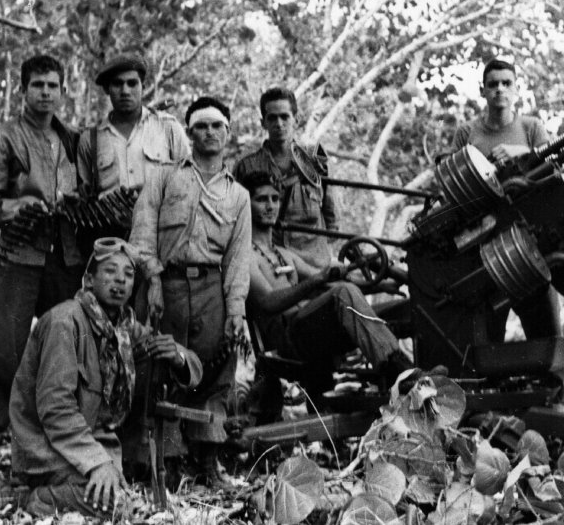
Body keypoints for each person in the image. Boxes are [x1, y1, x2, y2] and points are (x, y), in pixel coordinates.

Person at [4, 237, 201, 517]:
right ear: (89, 279)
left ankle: (27, 494)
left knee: (122, 500)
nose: (120, 280)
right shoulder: (65, 322)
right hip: (45, 448)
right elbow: (56, 410)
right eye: (109, 270)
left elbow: (193, 367)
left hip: (84, 447)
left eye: (128, 274)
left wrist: (177, 356)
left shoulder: (121, 327)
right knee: (117, 505)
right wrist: (97, 463)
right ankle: (34, 499)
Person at [0, 54, 84, 486]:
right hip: (19, 259)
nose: (46, 92)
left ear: (63, 90)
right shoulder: (3, 137)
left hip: (65, 262)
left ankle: (54, 451)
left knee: (62, 355)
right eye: (37, 85)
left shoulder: (73, 141)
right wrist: (23, 207)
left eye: (53, 85)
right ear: (23, 89)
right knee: (4, 354)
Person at [129, 96, 250, 483]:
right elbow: (143, 232)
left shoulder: (239, 195)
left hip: (213, 288)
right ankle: (167, 461)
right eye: (201, 126)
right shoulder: (165, 177)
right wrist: (153, 280)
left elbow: (237, 258)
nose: (210, 133)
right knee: (163, 367)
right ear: (189, 132)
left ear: (228, 134)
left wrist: (235, 311)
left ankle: (206, 459)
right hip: (170, 284)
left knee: (216, 372)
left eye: (217, 126)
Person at [242, 170, 412, 409]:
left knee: (404, 308)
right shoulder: (246, 256)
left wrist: (383, 284)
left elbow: (330, 280)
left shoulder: (285, 254)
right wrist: (318, 279)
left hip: (313, 332)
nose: (270, 206)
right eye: (261, 200)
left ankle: (424, 375)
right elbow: (269, 302)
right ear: (245, 204)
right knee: (343, 293)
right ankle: (402, 375)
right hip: (289, 339)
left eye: (274, 199)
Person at [450, 59, 564, 398]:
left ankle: (562, 405)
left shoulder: (531, 128)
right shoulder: (467, 133)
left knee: (548, 340)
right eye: (493, 83)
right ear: (483, 91)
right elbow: (453, 192)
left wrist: (523, 153)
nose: (499, 89)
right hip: (485, 253)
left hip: (529, 249)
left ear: (516, 89)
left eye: (506, 83)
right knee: (485, 345)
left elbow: (553, 175)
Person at [233, 87, 336, 268]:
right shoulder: (247, 166)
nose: (279, 124)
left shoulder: (314, 160)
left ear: (295, 119)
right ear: (263, 122)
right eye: (272, 118)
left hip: (315, 264)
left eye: (285, 117)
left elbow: (332, 219)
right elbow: (237, 221)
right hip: (272, 266)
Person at [77, 54, 190, 197]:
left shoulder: (168, 127)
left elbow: (189, 183)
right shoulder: (90, 140)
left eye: (132, 83)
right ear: (107, 89)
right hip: (110, 218)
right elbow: (84, 197)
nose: (125, 91)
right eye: (117, 84)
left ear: (142, 86)